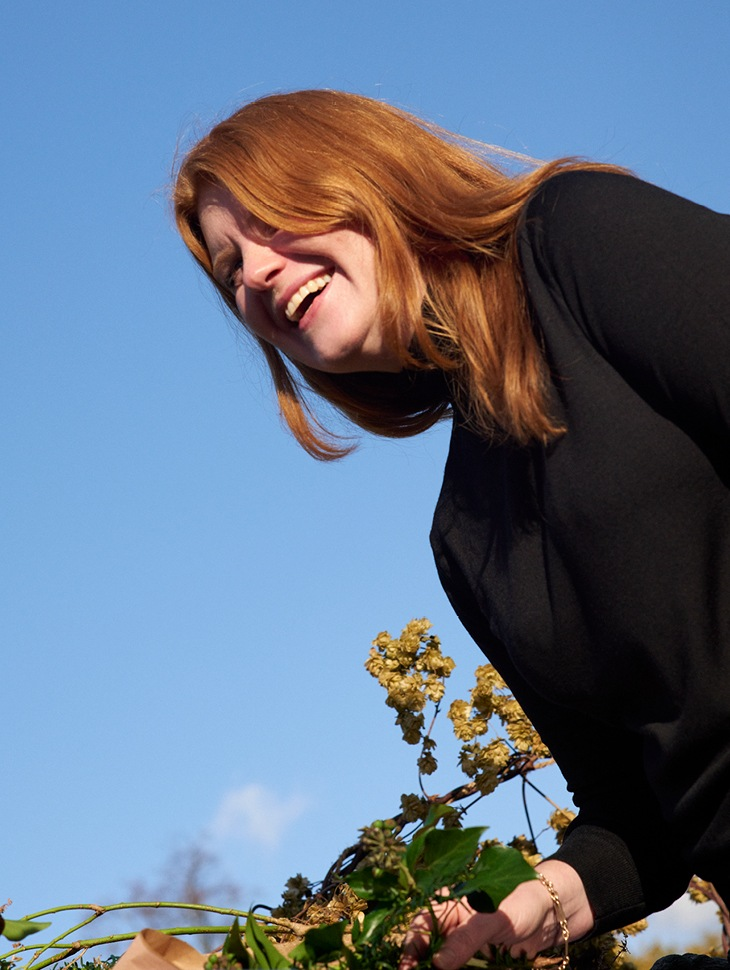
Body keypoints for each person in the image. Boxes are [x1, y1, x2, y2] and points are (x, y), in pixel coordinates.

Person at [173, 89, 730, 968]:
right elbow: (642, 817)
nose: (257, 274)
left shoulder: (573, 238)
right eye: (230, 267)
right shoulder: (463, 538)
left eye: (274, 218)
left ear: (368, 176)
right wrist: (531, 905)